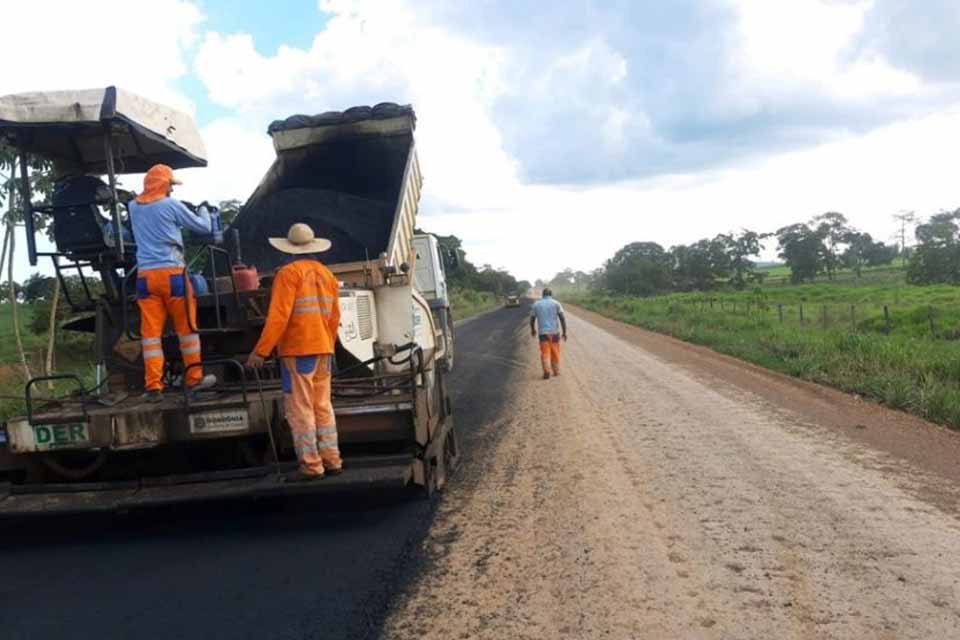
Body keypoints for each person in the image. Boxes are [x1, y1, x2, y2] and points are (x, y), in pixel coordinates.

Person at [246, 223, 342, 481]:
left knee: (301, 410)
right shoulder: (326, 274)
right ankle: (332, 460)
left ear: (288, 250)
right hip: (324, 349)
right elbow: (335, 317)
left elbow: (278, 317)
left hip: (298, 351)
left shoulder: (288, 274)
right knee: (323, 406)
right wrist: (328, 344)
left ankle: (311, 467)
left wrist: (260, 352)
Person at [128, 164, 216, 401]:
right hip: (173, 275)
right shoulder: (170, 205)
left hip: (145, 277)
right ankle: (194, 380)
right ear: (165, 185)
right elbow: (203, 226)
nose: (172, 191)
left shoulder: (133, 207)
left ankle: (154, 386)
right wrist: (204, 209)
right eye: (170, 186)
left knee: (151, 336)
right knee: (186, 331)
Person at [530, 288, 567, 380]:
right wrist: (564, 332)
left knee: (545, 352)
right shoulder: (556, 303)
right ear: (551, 295)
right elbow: (562, 318)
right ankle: (556, 371)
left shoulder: (536, 304)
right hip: (554, 333)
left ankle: (546, 371)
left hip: (543, 333)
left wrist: (533, 330)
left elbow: (532, 319)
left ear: (542, 295)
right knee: (555, 351)